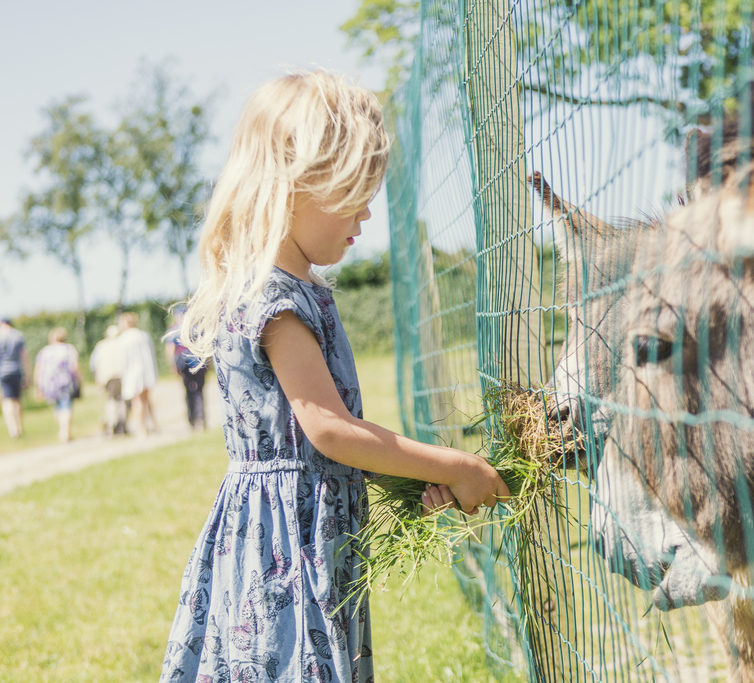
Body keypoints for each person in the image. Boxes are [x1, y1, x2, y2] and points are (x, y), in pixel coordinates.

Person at [160, 71, 510, 683]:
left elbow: (327, 440)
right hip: (288, 543)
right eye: (353, 192)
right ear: (294, 187)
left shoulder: (293, 288)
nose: (368, 211)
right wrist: (456, 466)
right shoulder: (278, 299)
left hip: (297, 524)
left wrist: (411, 483)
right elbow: (328, 430)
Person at [33, 327, 81, 442]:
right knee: (66, 406)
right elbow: (75, 367)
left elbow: (39, 369)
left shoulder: (45, 351)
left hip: (50, 385)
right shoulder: (69, 349)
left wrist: (37, 385)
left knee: (57, 407)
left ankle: (62, 430)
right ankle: (66, 432)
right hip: (66, 382)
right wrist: (79, 381)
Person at [165, 307, 208, 431]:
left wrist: (172, 365)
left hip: (184, 364)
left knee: (188, 392)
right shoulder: (198, 328)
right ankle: (201, 419)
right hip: (198, 363)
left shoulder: (174, 330)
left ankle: (192, 420)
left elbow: (170, 349)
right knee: (199, 391)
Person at [117, 311, 159, 436]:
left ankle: (142, 429)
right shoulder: (144, 335)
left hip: (133, 372)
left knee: (137, 401)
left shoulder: (124, 338)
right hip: (146, 370)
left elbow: (122, 360)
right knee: (146, 399)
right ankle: (154, 424)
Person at [90, 325, 127, 436]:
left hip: (107, 378)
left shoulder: (101, 345)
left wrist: (97, 378)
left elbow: (94, 364)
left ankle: (111, 423)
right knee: (122, 400)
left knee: (111, 400)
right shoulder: (122, 343)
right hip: (121, 375)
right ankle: (121, 425)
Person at [0, 318, 29, 439]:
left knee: (7, 400)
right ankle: (19, 427)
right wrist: (28, 375)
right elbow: (24, 356)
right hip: (16, 370)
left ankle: (13, 430)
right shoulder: (18, 335)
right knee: (17, 400)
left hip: (2, 372)